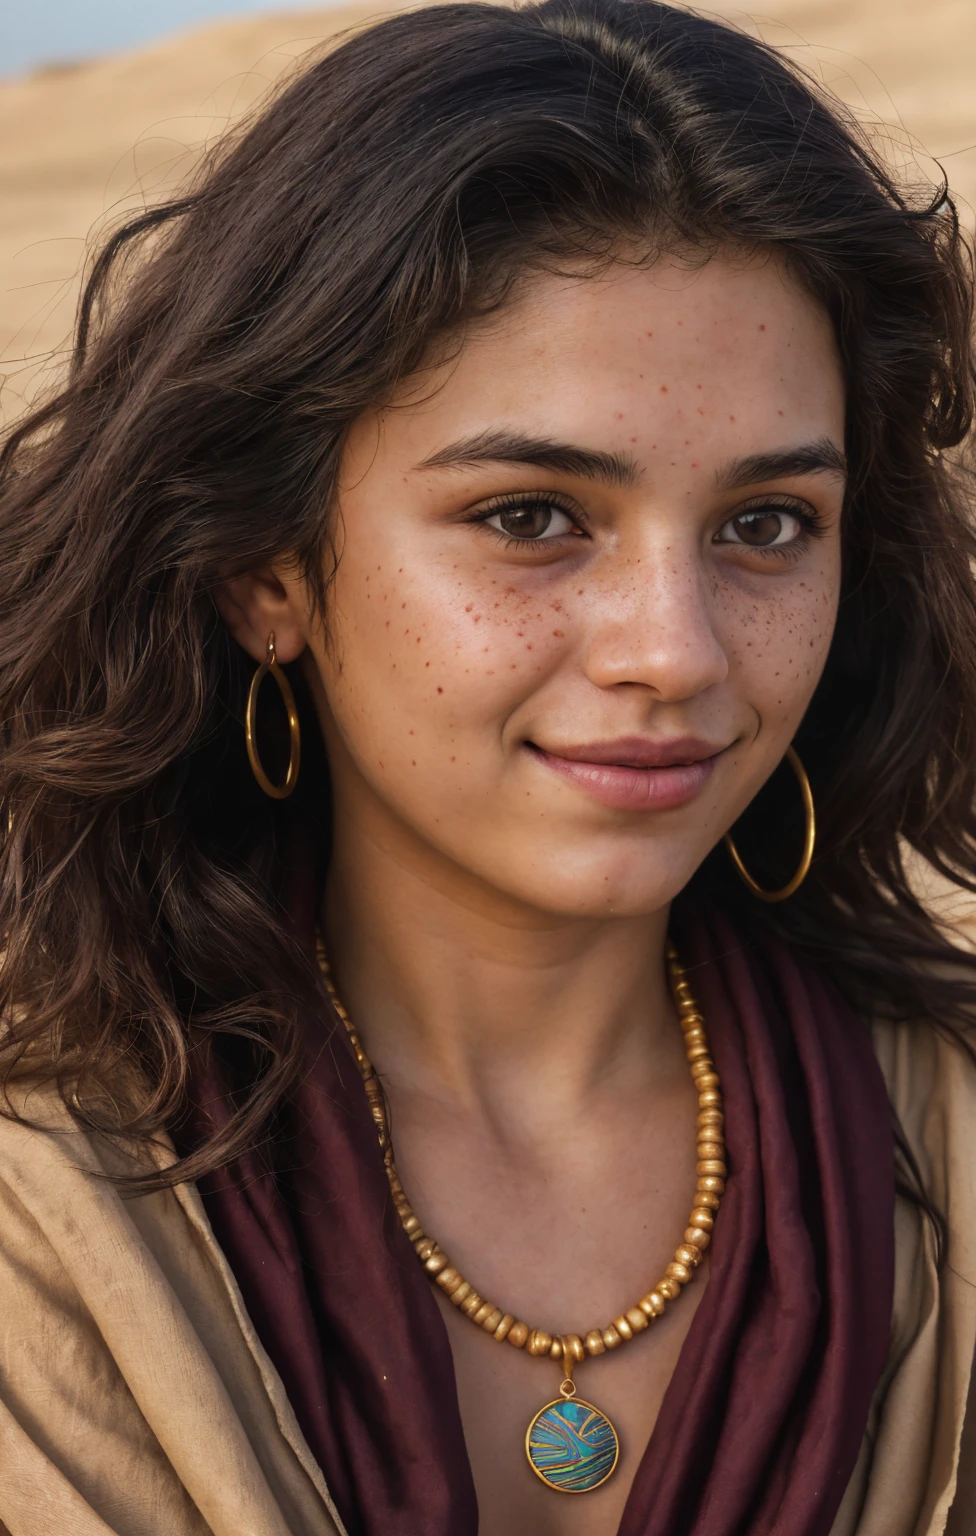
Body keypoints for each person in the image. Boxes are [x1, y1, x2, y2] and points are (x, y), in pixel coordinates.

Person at [0, 0, 974, 1531]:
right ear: (267, 571)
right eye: (531, 515)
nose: (679, 650)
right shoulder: (39, 1211)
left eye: (766, 523)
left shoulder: (951, 1151)